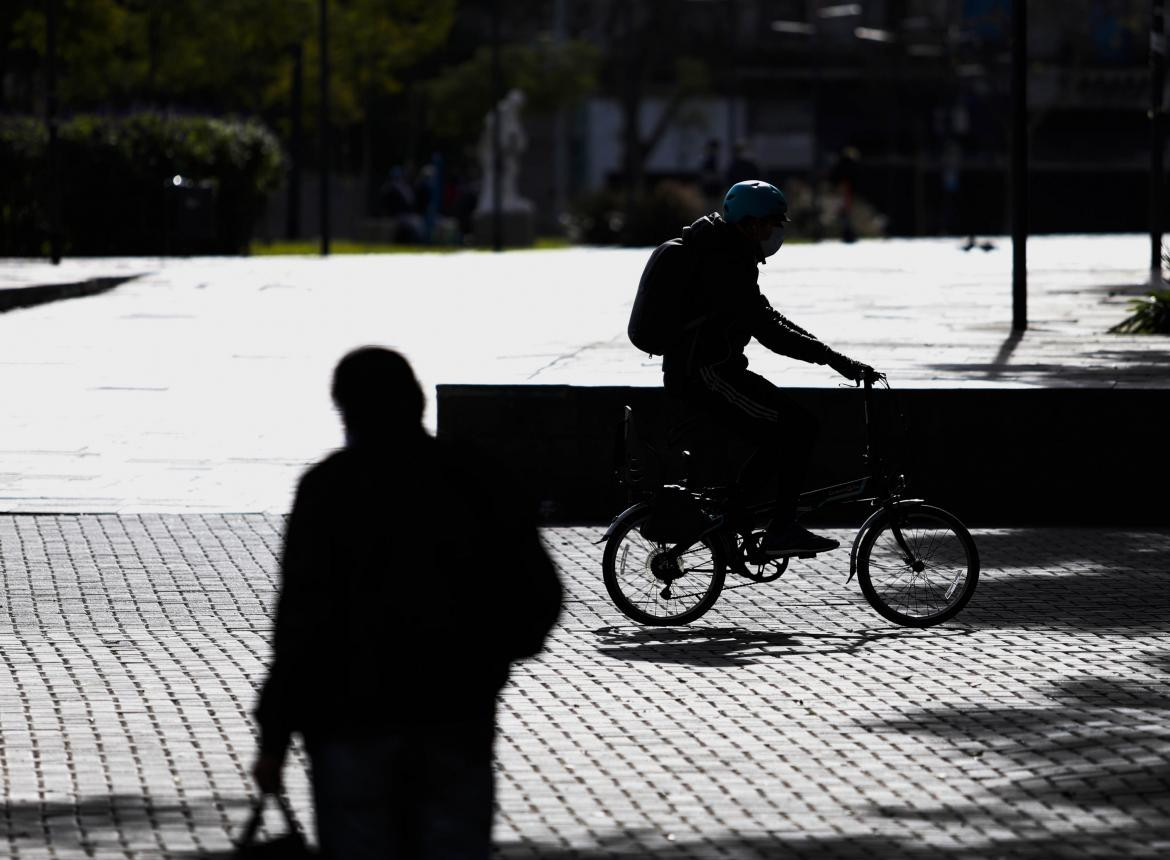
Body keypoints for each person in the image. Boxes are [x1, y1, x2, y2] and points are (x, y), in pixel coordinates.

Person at [251, 346, 562, 859]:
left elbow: (302, 624)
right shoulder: (475, 478)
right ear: (417, 402)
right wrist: (488, 663)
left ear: (345, 409)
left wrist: (274, 738)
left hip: (350, 721)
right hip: (455, 715)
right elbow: (537, 593)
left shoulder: (329, 488)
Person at [661, 180, 873, 557]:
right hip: (706, 374)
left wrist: (831, 355)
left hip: (715, 371)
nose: (777, 232)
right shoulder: (723, 262)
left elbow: (765, 315)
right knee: (797, 427)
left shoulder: (730, 254)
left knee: (788, 430)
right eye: (773, 223)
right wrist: (833, 360)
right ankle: (778, 527)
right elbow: (769, 331)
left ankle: (739, 515)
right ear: (751, 224)